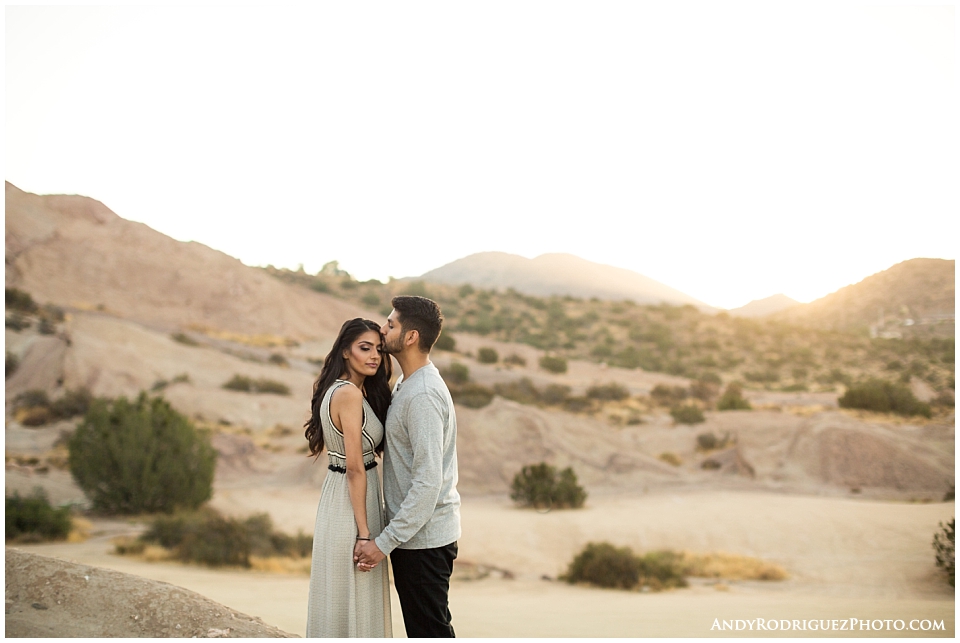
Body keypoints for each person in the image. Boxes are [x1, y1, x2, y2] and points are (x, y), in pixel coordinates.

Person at [355, 295, 462, 638]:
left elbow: (428, 484)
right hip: (415, 539)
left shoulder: (423, 395)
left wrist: (383, 543)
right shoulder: (408, 383)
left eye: (391, 324)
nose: (383, 330)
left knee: (430, 632)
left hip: (424, 542)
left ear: (411, 336)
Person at [304, 318, 393, 638]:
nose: (374, 357)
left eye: (379, 350)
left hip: (338, 495)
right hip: (352, 500)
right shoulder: (349, 395)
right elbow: (355, 468)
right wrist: (366, 534)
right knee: (354, 593)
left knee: (340, 593)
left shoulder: (341, 390)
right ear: (345, 351)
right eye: (364, 348)